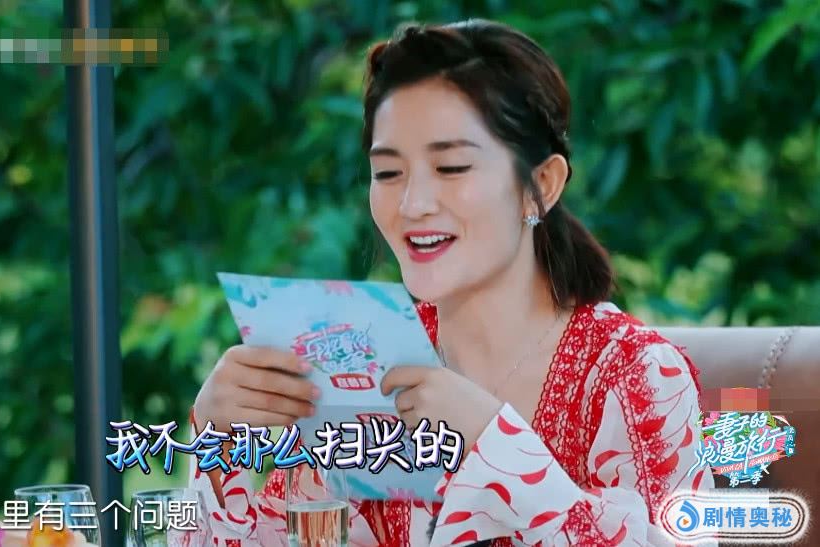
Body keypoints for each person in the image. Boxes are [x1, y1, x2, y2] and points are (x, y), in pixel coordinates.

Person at [188, 19, 715, 546]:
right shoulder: (365, 365)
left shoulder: (633, 376)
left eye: (452, 167)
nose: (413, 204)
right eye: (388, 173)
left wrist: (496, 446)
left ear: (542, 185)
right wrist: (216, 442)